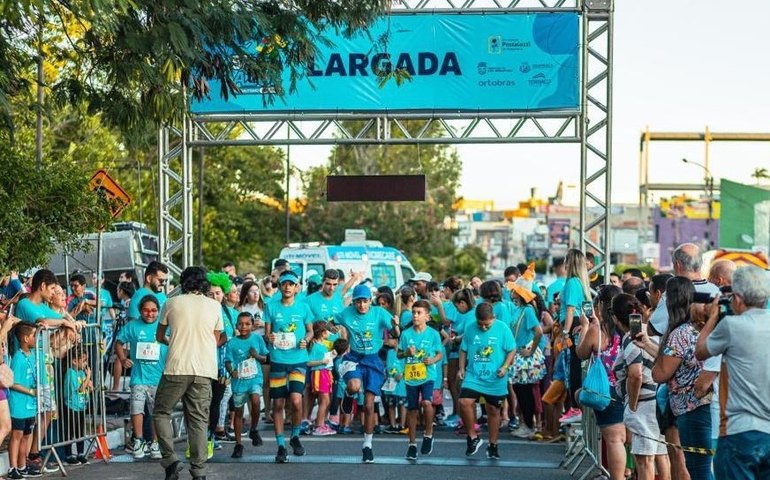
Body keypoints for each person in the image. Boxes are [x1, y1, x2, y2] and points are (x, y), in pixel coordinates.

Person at [695, 266, 770, 479]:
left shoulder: (731, 326)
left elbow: (700, 351)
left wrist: (712, 317)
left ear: (737, 298)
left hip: (738, 432)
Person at [154, 266, 223, 480]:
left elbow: (159, 336)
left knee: (161, 412)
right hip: (204, 369)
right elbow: (216, 338)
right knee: (199, 421)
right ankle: (199, 471)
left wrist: (173, 341)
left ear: (183, 282)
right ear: (204, 283)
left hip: (177, 366)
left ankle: (170, 460)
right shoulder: (214, 306)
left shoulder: (171, 302)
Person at [652, 276, 713, 480]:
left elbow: (660, 373)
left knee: (696, 468)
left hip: (690, 408)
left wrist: (657, 359)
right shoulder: (704, 329)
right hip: (707, 405)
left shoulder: (680, 333)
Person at [333, 284, 400, 463]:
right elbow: (331, 321)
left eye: (365, 301)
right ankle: (349, 395)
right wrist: (329, 329)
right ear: (354, 302)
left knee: (369, 406)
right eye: (358, 302)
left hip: (373, 360)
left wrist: (395, 326)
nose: (361, 305)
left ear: (370, 301)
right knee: (354, 386)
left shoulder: (379, 313)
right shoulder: (347, 313)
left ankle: (367, 445)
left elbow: (395, 333)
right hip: (354, 357)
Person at [611, 294, 670, 480]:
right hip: (658, 399)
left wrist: (632, 404)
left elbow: (635, 374)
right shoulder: (650, 333)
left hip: (644, 403)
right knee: (661, 454)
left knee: (644, 459)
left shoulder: (631, 338)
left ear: (615, 317)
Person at [575, 284, 627, 480]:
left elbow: (582, 353)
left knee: (614, 440)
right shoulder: (629, 327)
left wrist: (585, 327)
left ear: (602, 305)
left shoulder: (598, 330)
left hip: (606, 390)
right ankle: (629, 472)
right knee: (629, 439)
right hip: (630, 387)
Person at [263, 270, 314, 463]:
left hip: (298, 360)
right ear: (280, 286)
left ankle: (295, 436)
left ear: (296, 287)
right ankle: (281, 446)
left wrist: (306, 340)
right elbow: (267, 333)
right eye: (284, 283)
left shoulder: (303, 307)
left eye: (291, 284)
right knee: (278, 404)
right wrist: (270, 337)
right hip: (278, 359)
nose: (287, 287)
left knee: (296, 400)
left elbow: (310, 331)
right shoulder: (271, 306)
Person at [457, 302, 515, 459]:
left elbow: (511, 349)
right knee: (464, 401)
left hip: (495, 377)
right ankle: (472, 437)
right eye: (480, 324)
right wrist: (461, 368)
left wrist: (505, 367)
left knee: (493, 410)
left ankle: (493, 445)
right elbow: (463, 349)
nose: (483, 328)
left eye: (487, 325)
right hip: (474, 375)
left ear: (493, 318)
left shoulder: (503, 328)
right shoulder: (470, 328)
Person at [115, 295, 167, 460]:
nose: (150, 314)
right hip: (139, 377)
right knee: (136, 408)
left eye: (153, 310)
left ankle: (155, 443)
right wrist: (123, 359)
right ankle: (139, 440)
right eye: (146, 310)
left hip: (159, 378)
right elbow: (119, 342)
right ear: (140, 311)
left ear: (158, 311)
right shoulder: (133, 326)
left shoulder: (165, 326)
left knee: (156, 412)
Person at [398, 299, 443, 460]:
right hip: (411, 376)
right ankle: (412, 445)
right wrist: (406, 353)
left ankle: (428, 433)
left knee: (426, 402)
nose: (415, 316)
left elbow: (439, 353)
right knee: (412, 409)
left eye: (419, 313)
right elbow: (399, 354)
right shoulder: (405, 334)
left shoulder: (433, 334)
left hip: (427, 375)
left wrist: (432, 360)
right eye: (414, 312)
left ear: (427, 317)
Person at [225, 312, 268, 458]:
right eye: (241, 324)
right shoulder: (232, 343)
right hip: (239, 382)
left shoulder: (257, 338)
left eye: (247, 324)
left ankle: (254, 428)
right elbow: (227, 361)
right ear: (236, 325)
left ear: (252, 325)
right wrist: (232, 371)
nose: (244, 327)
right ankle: (238, 444)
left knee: (256, 400)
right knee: (238, 412)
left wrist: (256, 355)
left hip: (255, 378)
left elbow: (264, 358)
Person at [7, 323, 41, 479]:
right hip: (19, 404)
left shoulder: (33, 355)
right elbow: (12, 383)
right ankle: (12, 467)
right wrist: (30, 391)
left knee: (26, 435)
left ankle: (22, 465)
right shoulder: (18, 358)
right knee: (17, 435)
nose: (36, 338)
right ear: (26, 338)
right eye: (34, 335)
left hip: (30, 405)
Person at [63, 348, 93, 465]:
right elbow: (80, 388)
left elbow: (86, 388)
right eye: (83, 361)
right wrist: (88, 377)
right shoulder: (71, 373)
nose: (86, 363)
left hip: (81, 405)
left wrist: (89, 384)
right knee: (70, 431)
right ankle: (68, 455)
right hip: (72, 406)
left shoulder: (81, 373)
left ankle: (80, 453)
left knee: (80, 431)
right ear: (75, 361)